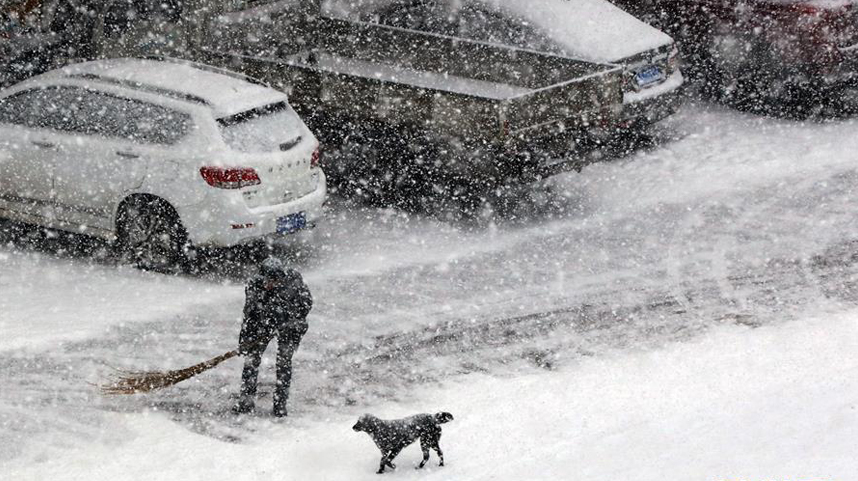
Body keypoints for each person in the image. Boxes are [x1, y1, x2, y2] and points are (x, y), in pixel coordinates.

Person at [234, 257, 313, 417]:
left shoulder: (294, 282)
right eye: (267, 280)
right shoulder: (254, 286)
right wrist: (245, 341)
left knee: (283, 363)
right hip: (264, 325)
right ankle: (246, 402)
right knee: (251, 361)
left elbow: (306, 304)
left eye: (274, 280)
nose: (270, 284)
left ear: (281, 277)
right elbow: (249, 314)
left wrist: (287, 319)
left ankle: (280, 405)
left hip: (290, 327)